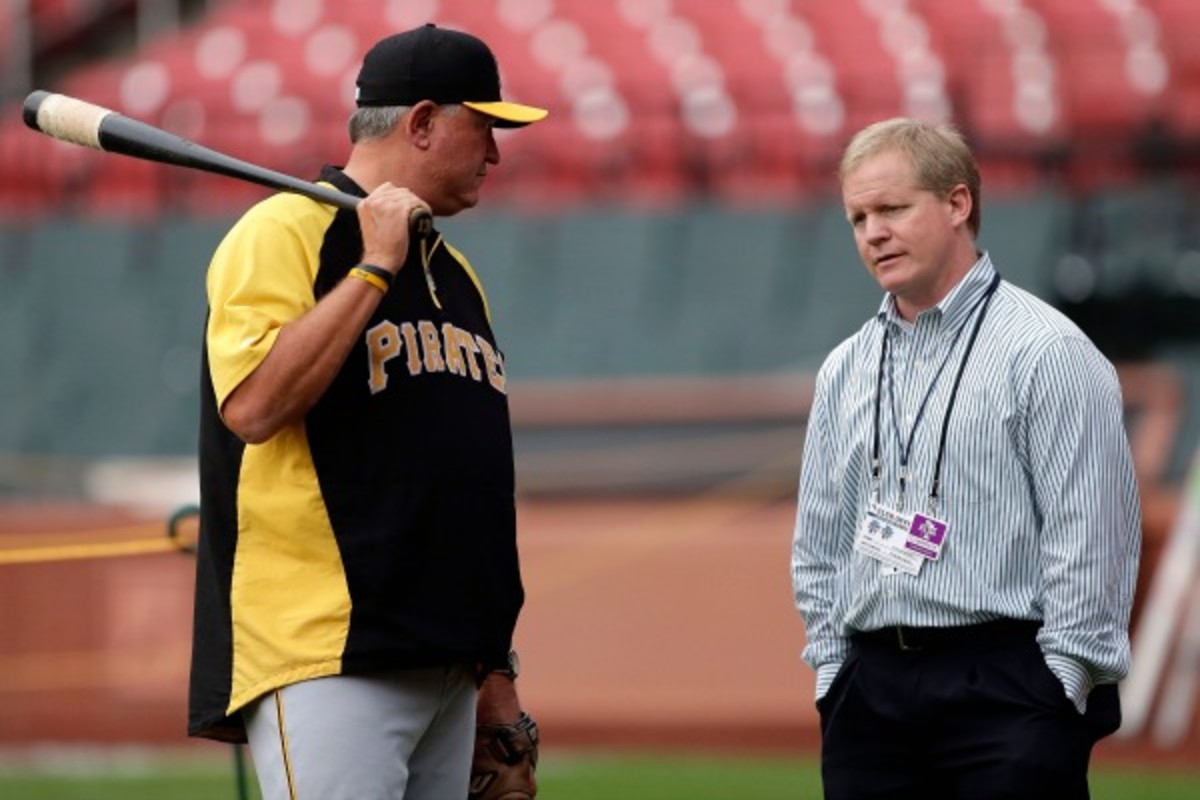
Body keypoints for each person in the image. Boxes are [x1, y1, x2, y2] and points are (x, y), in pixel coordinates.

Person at [187, 23, 547, 800]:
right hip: (331, 651)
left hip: (447, 658)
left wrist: (492, 669)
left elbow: (465, 482)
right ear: (420, 123)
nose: (494, 152)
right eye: (482, 126)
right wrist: (373, 264)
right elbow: (252, 405)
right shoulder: (283, 231)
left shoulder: (456, 274)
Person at [791, 117, 1141, 799]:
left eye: (892, 208)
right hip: (871, 697)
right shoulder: (846, 368)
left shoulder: (1048, 352)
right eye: (858, 216)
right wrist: (834, 677)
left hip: (1007, 689)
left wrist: (1058, 688)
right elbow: (820, 545)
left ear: (958, 204)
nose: (873, 232)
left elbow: (1093, 540)